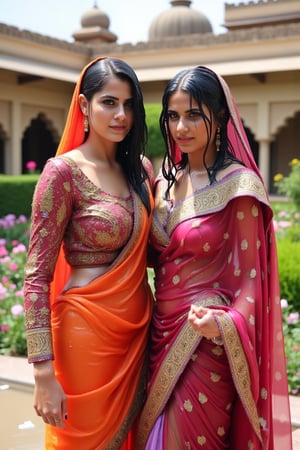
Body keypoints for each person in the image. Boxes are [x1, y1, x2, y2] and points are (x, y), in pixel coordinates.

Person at [137, 66, 292, 449]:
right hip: (159, 337)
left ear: (220, 117)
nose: (180, 127)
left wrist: (223, 324)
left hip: (206, 347)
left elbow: (252, 283)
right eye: (173, 115)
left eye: (193, 114)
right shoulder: (166, 181)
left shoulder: (239, 187)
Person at [23, 56, 154, 449]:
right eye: (109, 103)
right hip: (84, 338)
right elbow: (36, 276)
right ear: (84, 105)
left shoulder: (141, 170)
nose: (121, 115)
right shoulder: (62, 173)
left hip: (137, 334)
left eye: (129, 104)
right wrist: (43, 373)